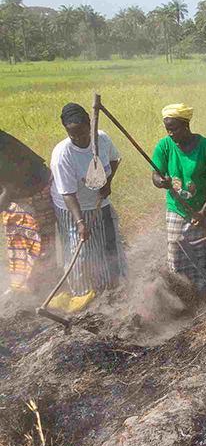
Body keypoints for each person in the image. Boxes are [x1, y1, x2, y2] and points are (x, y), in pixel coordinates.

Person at [48, 103, 127, 312]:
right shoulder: (62, 154)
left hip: (101, 202)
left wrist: (108, 183)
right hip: (72, 207)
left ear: (89, 124)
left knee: (110, 244)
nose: (78, 138)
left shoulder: (102, 139)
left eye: (82, 132)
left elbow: (114, 159)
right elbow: (67, 194)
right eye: (71, 134)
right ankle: (83, 296)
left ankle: (114, 287)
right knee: (81, 250)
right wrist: (80, 222)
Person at [150, 104, 206, 298]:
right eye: (167, 129)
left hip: (205, 205)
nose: (170, 133)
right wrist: (162, 182)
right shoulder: (164, 146)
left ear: (186, 125)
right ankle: (182, 288)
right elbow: (155, 175)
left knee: (205, 245)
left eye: (173, 128)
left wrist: (204, 211)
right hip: (177, 206)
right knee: (176, 247)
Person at [1, 130, 57, 294]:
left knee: (38, 240)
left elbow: (8, 190)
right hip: (14, 193)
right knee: (15, 238)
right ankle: (20, 283)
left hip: (34, 189)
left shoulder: (2, 150)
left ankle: (45, 286)